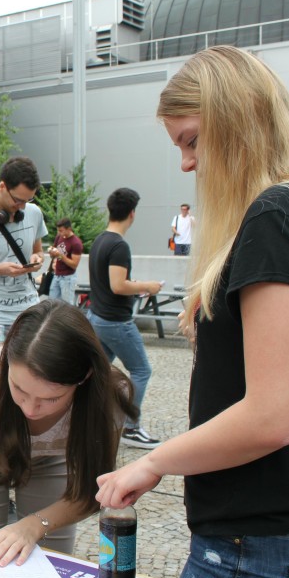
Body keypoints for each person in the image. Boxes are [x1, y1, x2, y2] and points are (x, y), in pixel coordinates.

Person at [96, 46, 289, 578]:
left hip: (263, 541)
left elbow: (271, 416)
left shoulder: (279, 216)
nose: (186, 163)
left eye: (192, 140)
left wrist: (153, 462)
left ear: (239, 120)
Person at [0, 299, 135, 569]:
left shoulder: (109, 397)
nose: (30, 408)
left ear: (84, 377)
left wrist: (34, 525)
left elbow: (92, 491)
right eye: (19, 389)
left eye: (51, 399)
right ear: (6, 362)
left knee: (50, 562)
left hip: (55, 459)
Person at [86, 188, 163, 449]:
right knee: (141, 370)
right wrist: (148, 286)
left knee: (97, 373)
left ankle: (88, 419)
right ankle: (131, 426)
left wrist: (135, 285)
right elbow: (118, 285)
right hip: (115, 322)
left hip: (98, 317)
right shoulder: (119, 246)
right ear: (132, 214)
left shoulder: (100, 240)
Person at [0, 157, 46, 345]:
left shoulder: (34, 213)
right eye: (18, 200)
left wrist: (37, 259)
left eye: (28, 200)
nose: (22, 206)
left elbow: (38, 252)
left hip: (29, 310)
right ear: (2, 186)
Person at [46, 218, 83, 304]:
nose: (59, 233)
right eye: (58, 230)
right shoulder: (59, 237)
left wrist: (60, 255)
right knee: (51, 303)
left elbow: (74, 265)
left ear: (69, 229)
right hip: (57, 274)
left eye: (61, 231)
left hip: (68, 277)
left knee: (67, 304)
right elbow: (53, 253)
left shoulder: (76, 243)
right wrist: (51, 252)